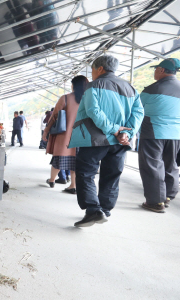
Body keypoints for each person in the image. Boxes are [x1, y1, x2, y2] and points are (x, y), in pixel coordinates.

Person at [69, 55, 143, 227]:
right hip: (119, 142)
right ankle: (105, 209)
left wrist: (114, 129)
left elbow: (94, 112)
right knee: (112, 174)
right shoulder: (130, 88)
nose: (92, 73)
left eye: (93, 69)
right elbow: (138, 113)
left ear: (100, 69)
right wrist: (126, 134)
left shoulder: (93, 86)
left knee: (86, 172)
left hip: (95, 139)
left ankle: (94, 210)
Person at [138, 58, 180, 213]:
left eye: (156, 69)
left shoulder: (152, 89)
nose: (154, 71)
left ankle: (155, 202)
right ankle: (168, 196)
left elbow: (137, 109)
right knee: (171, 165)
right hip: (176, 134)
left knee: (152, 166)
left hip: (153, 131)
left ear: (162, 70)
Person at [42, 75, 89, 194]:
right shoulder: (90, 99)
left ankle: (52, 180)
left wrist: (46, 131)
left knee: (59, 159)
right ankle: (73, 185)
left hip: (65, 136)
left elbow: (54, 117)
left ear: (74, 85)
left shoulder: (65, 98)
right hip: (83, 137)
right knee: (76, 162)